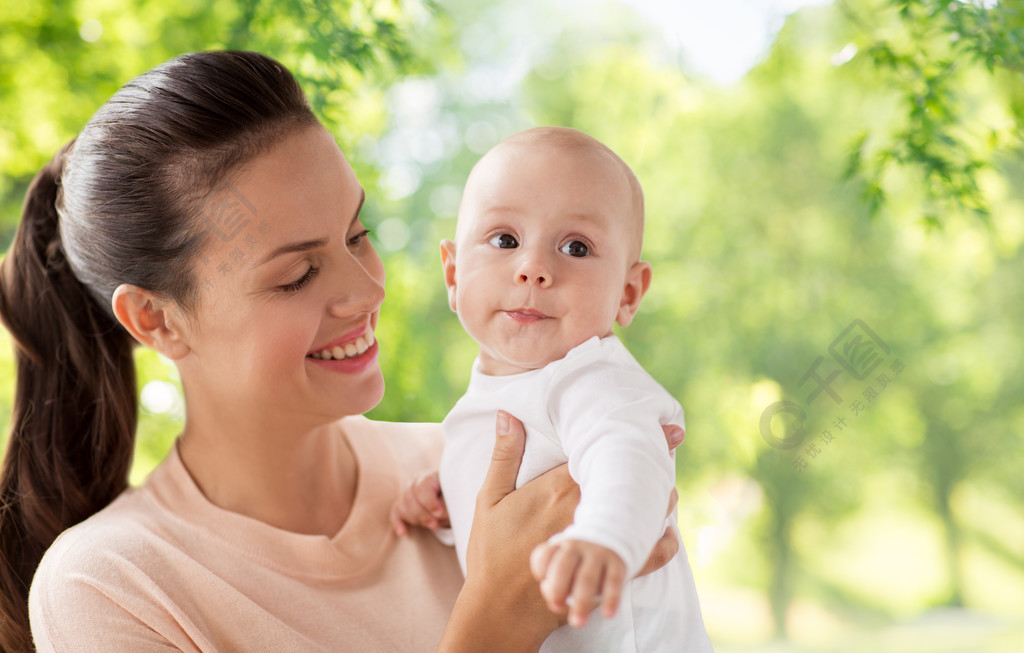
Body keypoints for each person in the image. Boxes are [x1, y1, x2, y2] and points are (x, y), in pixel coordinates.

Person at [0, 51, 684, 653]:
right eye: (297, 274)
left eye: (357, 234)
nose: (364, 290)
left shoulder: (482, 473)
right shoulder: (113, 586)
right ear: (156, 319)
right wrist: (498, 622)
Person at [394, 127, 713, 652]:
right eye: (504, 240)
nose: (534, 269)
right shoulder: (491, 397)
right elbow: (510, 523)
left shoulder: (593, 379)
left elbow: (629, 461)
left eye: (576, 247)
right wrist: (450, 496)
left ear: (627, 294)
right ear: (452, 274)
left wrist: (605, 537)